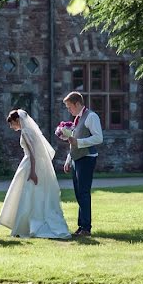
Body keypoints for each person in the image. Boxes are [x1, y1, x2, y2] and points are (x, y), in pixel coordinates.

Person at [0, 109, 71, 239]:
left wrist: (32, 172)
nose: (11, 126)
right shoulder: (32, 131)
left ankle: (26, 225)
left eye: (12, 123)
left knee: (28, 194)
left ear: (17, 120)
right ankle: (28, 223)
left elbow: (32, 154)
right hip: (37, 165)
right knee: (36, 194)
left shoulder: (25, 132)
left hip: (30, 165)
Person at [62, 92, 103, 237]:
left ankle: (86, 228)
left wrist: (79, 143)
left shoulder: (91, 117)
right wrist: (68, 160)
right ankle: (81, 226)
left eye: (69, 107)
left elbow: (99, 138)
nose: (69, 110)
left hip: (87, 158)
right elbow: (74, 140)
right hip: (76, 159)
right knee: (79, 193)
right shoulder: (77, 119)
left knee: (84, 193)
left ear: (77, 103)